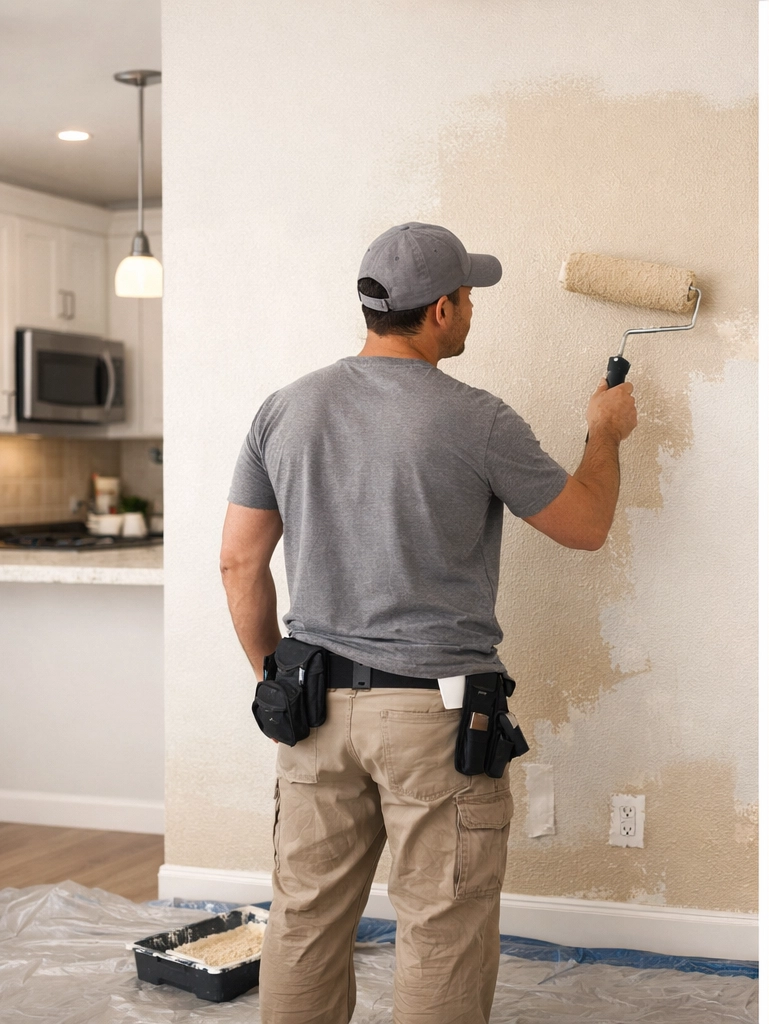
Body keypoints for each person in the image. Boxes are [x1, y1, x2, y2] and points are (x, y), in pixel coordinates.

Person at [218, 222, 637, 1024]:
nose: (474, 310)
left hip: (313, 712)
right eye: (470, 297)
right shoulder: (475, 419)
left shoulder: (286, 409)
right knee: (441, 929)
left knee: (303, 922)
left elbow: (240, 564)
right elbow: (585, 525)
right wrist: (603, 434)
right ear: (441, 309)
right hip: (435, 719)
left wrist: (278, 680)